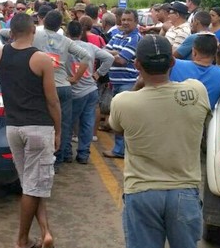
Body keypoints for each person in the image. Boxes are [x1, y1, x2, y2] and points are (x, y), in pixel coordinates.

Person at [110, 35, 211, 248]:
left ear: (137, 66)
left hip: (142, 192)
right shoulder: (196, 91)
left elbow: (116, 127)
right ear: (172, 63)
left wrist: (139, 83)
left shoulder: (124, 102)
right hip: (184, 192)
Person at [0, 12, 61, 248]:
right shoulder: (41, 59)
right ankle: (22, 240)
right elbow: (52, 101)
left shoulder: (0, 53)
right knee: (34, 186)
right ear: (34, 31)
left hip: (13, 129)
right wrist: (59, 130)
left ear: (11, 32)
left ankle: (46, 233)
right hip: (39, 129)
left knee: (31, 184)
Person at [33, 10, 90, 167]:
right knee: (63, 124)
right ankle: (58, 159)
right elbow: (86, 56)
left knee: (43, 123)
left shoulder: (35, 36)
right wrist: (76, 78)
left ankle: (42, 158)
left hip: (42, 86)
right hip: (63, 87)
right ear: (60, 25)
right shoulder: (65, 41)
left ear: (44, 21)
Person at [66, 21, 114, 164]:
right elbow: (109, 58)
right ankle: (83, 154)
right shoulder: (90, 47)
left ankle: (67, 153)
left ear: (67, 33)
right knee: (87, 123)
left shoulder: (65, 47)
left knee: (68, 123)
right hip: (91, 89)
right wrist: (97, 74)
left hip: (74, 91)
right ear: (81, 33)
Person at [102, 9, 141, 158]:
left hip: (128, 83)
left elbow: (121, 60)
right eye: (123, 19)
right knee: (119, 118)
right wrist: (114, 53)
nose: (125, 22)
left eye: (128, 20)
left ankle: (120, 150)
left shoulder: (135, 38)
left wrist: (112, 54)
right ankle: (120, 149)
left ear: (136, 22)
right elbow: (104, 50)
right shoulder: (117, 35)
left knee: (123, 119)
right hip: (116, 83)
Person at [170, 33, 220, 109]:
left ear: (194, 52)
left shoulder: (175, 65)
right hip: (202, 120)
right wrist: (219, 48)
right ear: (215, 52)